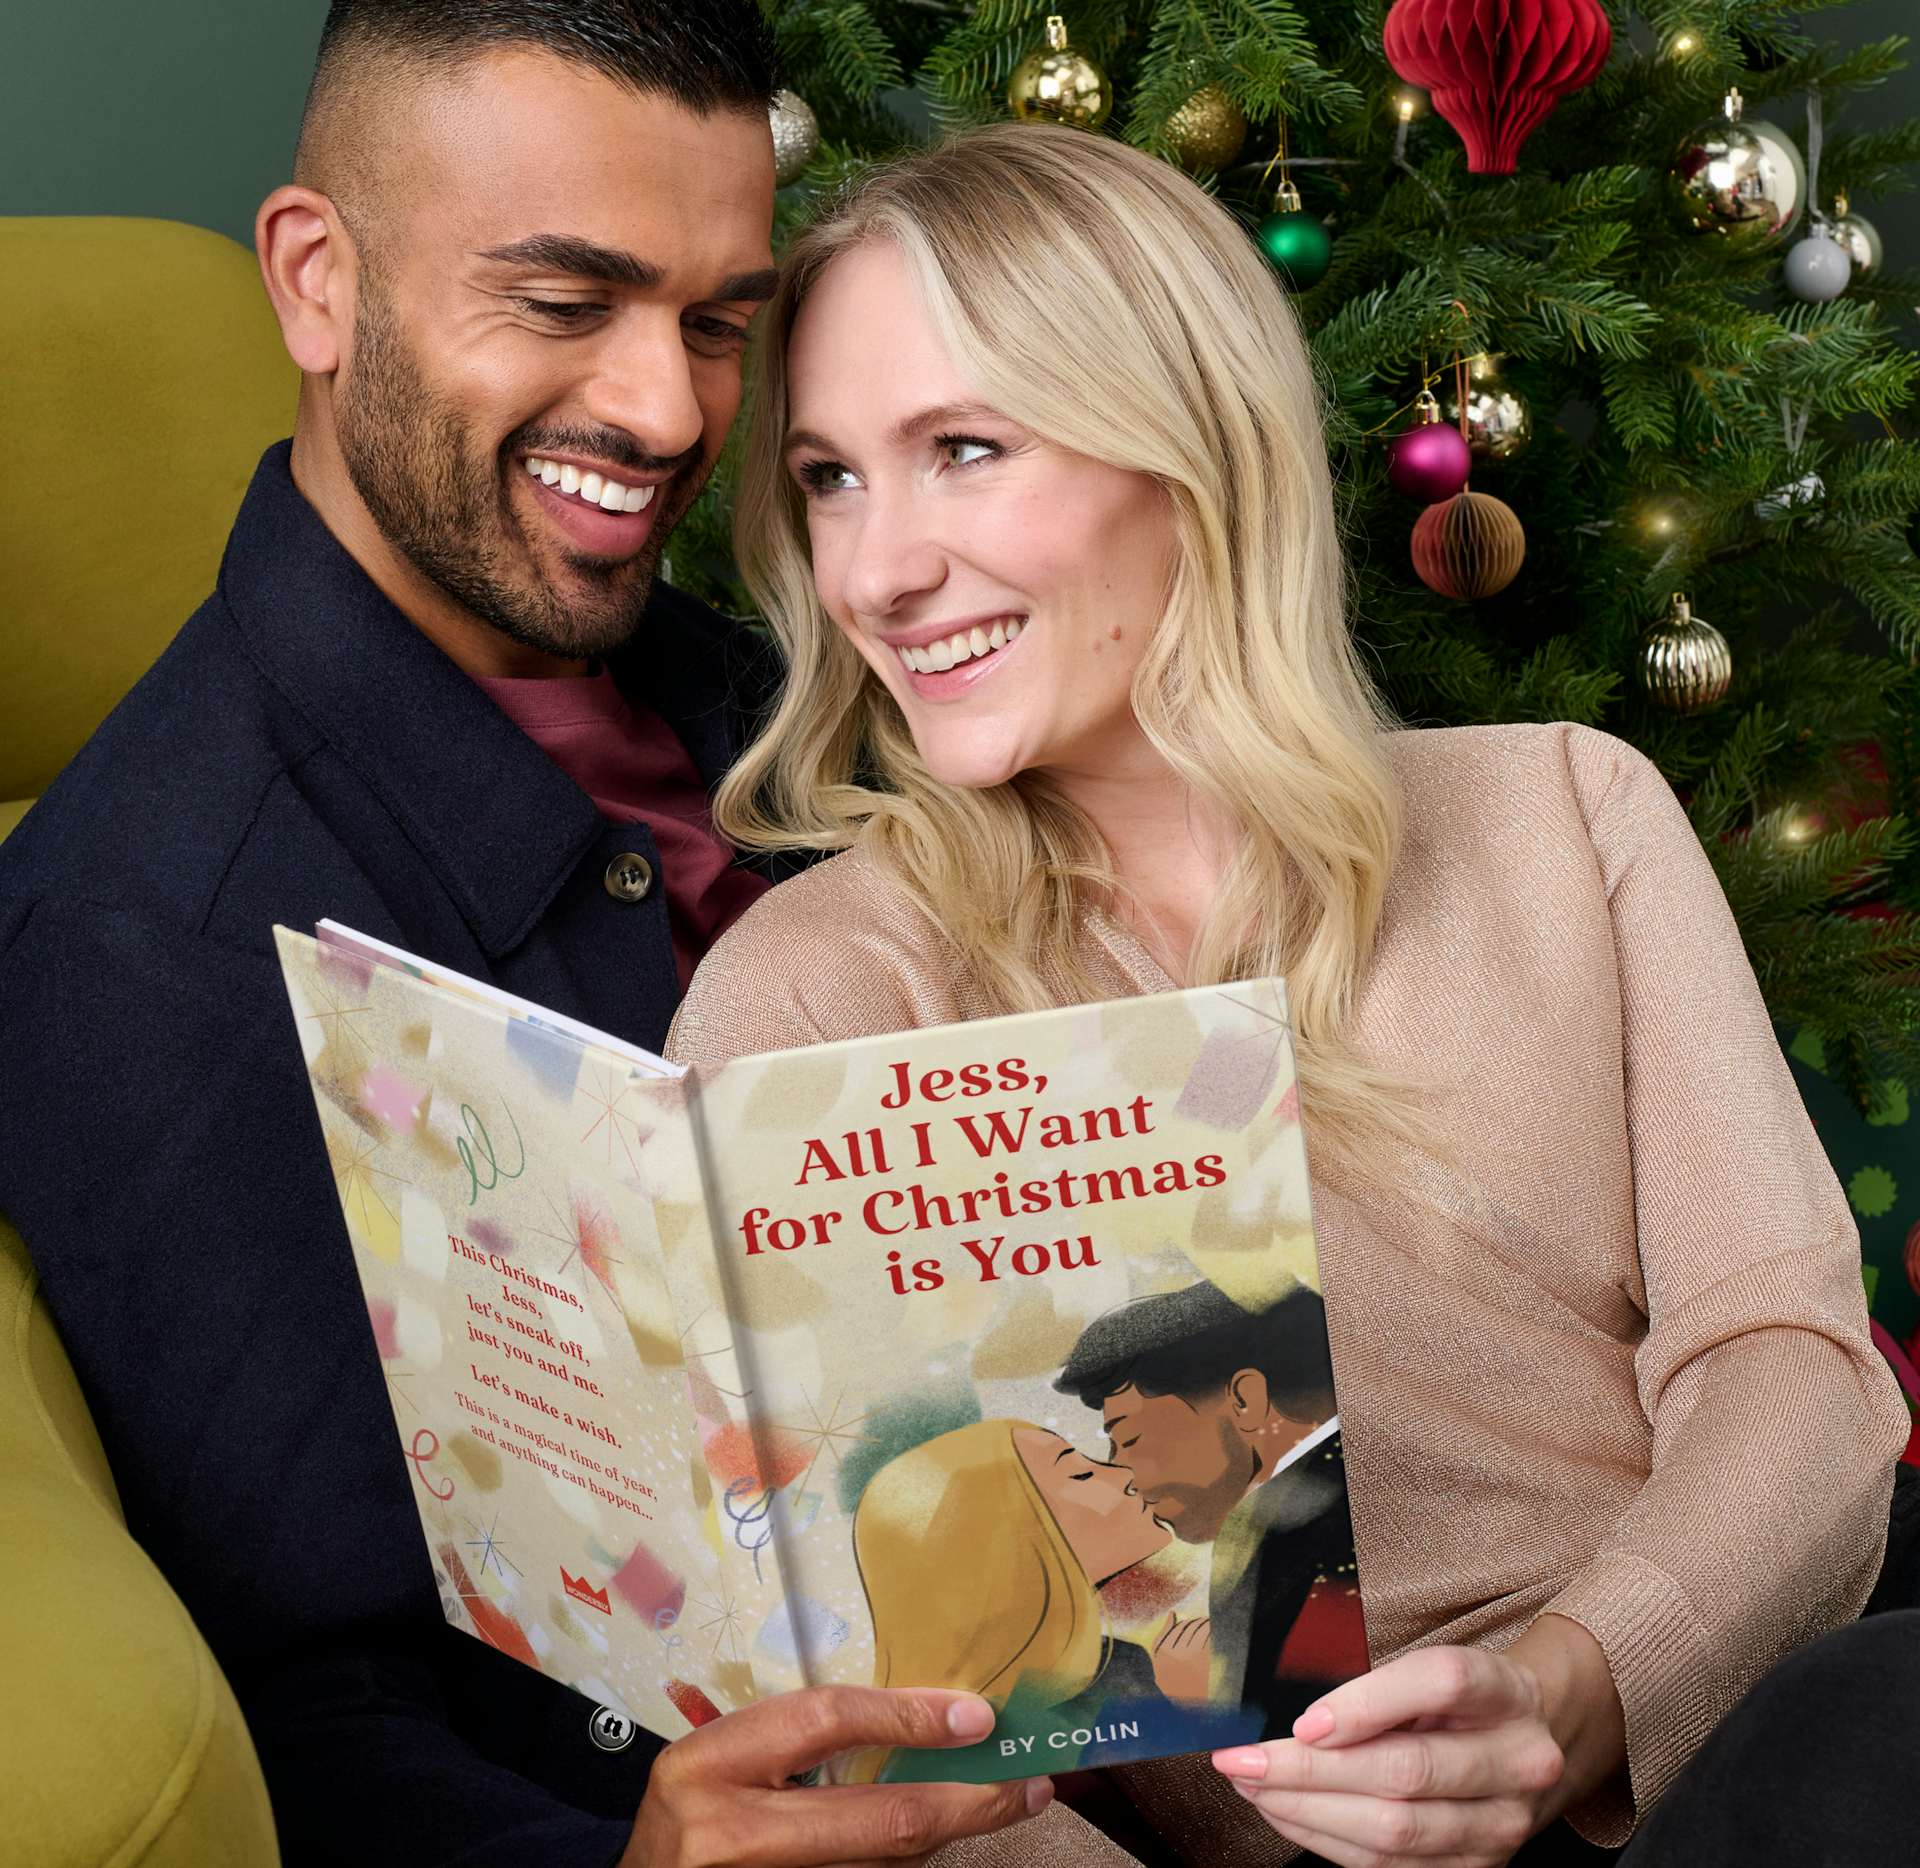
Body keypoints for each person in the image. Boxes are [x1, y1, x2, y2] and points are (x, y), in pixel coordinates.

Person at [663, 120, 1909, 1867]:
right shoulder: (811, 1009)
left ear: (1188, 450)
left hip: (1709, 1768)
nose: (876, 571)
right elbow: (892, 1735)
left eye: (959, 449)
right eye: (830, 476)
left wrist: (1567, 1691)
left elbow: (1791, 1363)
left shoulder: (1563, 808)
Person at [0, 7, 1057, 1865]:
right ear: (318, 284)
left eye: (720, 321)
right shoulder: (139, 941)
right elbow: (296, 1714)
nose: (666, 412)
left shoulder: (792, 688)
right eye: (565, 303)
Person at [1056, 1283, 1364, 1741]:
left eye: (1128, 1438)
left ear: (1244, 1399)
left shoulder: (1328, 1521)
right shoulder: (1277, 1523)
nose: (1121, 1470)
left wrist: (1189, 1708)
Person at [848, 1418, 1171, 1783]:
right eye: (1079, 1475)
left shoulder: (1120, 1665)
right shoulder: (1112, 1678)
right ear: (1001, 1546)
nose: (1121, 1475)